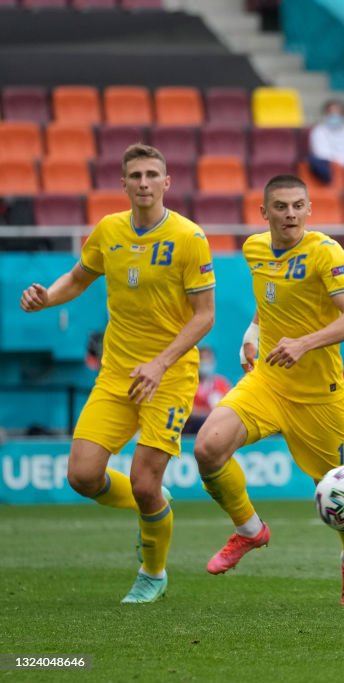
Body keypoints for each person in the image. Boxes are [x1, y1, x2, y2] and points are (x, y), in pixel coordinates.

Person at [19, 143, 216, 603]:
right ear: (123, 183)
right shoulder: (108, 229)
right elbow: (78, 277)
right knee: (83, 477)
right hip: (116, 374)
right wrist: (46, 296)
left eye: (152, 174)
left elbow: (204, 315)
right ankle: (156, 503)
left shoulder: (190, 238)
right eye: (135, 175)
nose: (144, 183)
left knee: (145, 481)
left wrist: (161, 361)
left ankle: (153, 572)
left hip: (168, 375)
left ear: (166, 183)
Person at [193, 175, 344, 605]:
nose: (290, 213)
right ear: (265, 212)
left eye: (297, 205)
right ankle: (249, 531)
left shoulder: (327, 253)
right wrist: (252, 333)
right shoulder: (254, 249)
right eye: (281, 206)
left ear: (309, 209)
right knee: (207, 448)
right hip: (269, 380)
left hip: (320, 394)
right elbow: (271, 299)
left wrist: (304, 343)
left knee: (342, 496)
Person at [183, 347, 232, 435]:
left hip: (217, 425)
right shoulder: (189, 383)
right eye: (203, 359)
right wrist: (208, 413)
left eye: (209, 359)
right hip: (193, 426)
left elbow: (229, 408)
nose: (206, 362)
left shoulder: (221, 383)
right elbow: (188, 410)